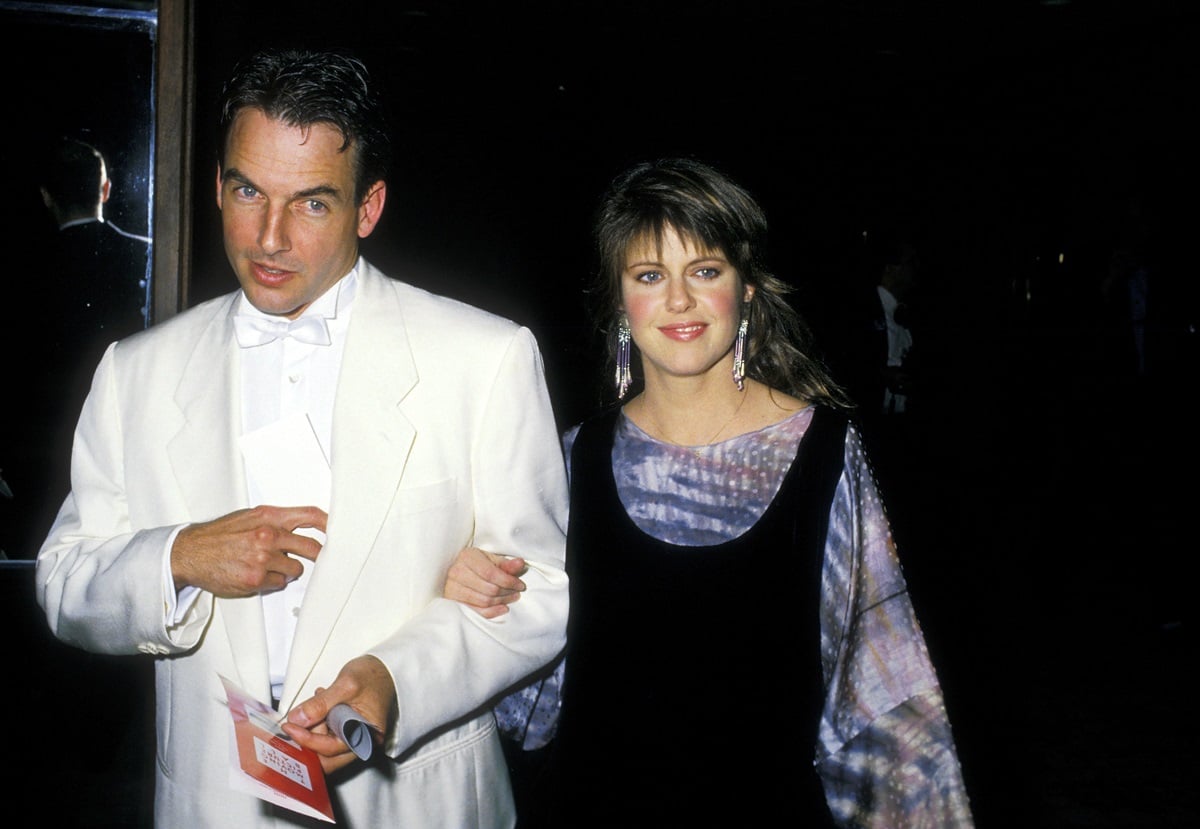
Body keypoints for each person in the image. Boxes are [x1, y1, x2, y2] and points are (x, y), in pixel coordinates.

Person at [35, 47, 569, 828]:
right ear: (218, 184)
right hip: (212, 805)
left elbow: (538, 595)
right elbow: (61, 581)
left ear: (368, 207)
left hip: (416, 802)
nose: (270, 236)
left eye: (312, 203)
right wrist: (179, 557)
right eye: (248, 190)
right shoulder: (135, 372)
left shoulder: (484, 357)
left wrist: (396, 681)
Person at [444, 158, 974, 827]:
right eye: (648, 275)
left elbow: (881, 696)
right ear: (619, 299)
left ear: (746, 286)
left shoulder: (827, 453)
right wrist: (476, 595)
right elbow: (528, 695)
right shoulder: (571, 456)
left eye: (705, 270)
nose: (678, 299)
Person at [1, 136, 152, 560]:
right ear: (105, 190)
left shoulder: (20, 273)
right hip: (126, 452)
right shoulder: (146, 259)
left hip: (36, 457)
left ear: (47, 197)